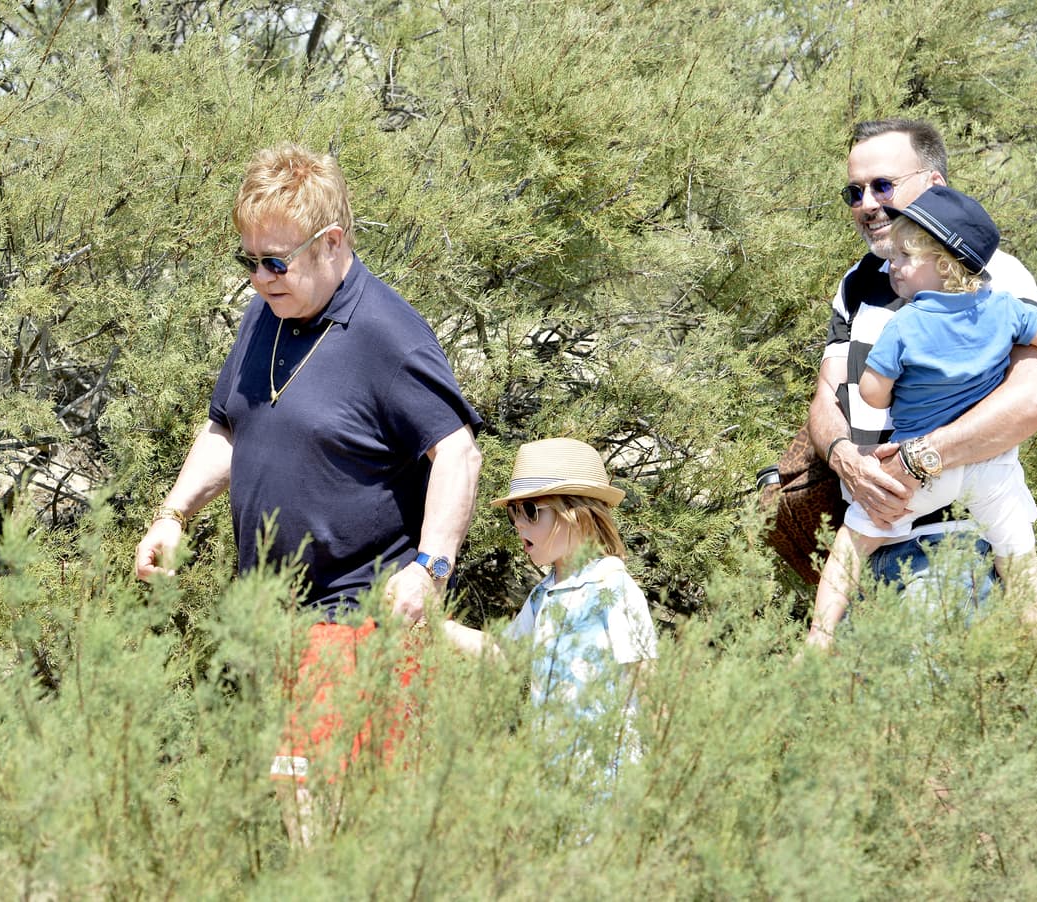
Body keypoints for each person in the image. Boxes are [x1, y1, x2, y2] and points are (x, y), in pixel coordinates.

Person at [132, 144, 483, 818]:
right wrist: (173, 516)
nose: (260, 278)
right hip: (271, 616)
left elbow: (457, 452)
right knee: (319, 813)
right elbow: (228, 429)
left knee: (307, 798)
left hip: (357, 611)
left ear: (331, 243)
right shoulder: (265, 315)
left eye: (275, 261)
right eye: (249, 261)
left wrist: (432, 567)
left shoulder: (386, 332)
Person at [806, 186, 1037, 650]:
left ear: (946, 263)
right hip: (993, 469)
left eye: (905, 257)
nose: (893, 265)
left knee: (852, 544)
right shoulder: (1002, 308)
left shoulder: (904, 326)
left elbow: (873, 393)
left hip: (919, 471)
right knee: (1019, 555)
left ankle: (818, 637)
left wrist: (873, 386)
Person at [442, 438, 658, 776]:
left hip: (606, 776)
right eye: (514, 513)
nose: (518, 524)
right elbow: (504, 653)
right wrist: (438, 626)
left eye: (530, 511)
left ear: (579, 516)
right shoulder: (545, 594)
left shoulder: (612, 587)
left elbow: (645, 681)